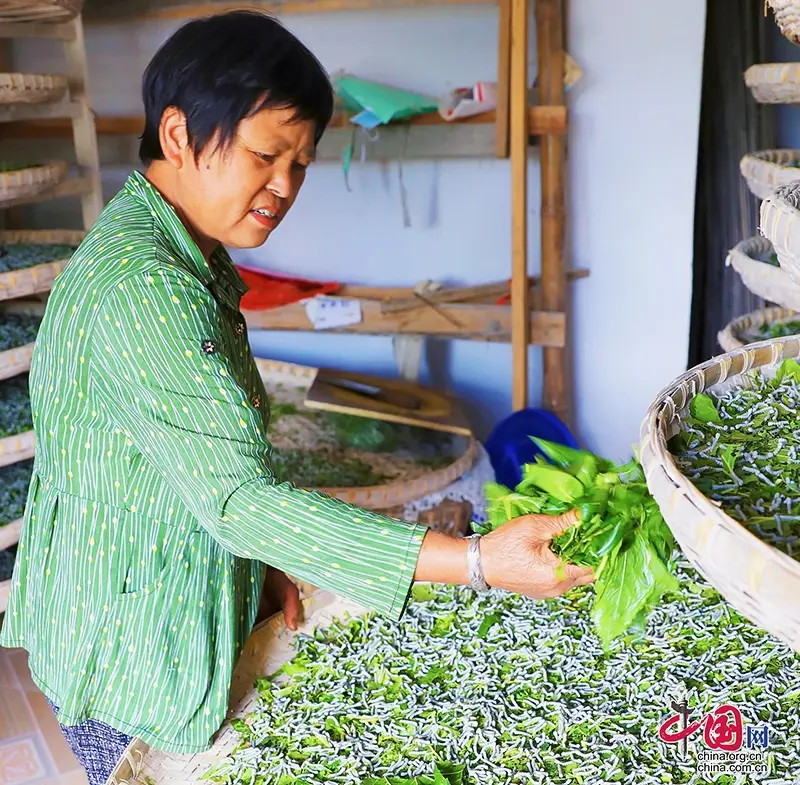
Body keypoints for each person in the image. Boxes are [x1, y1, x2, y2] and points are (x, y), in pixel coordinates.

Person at [0, 11, 593, 785]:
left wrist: (251, 567)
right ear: (178, 135)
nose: (283, 187)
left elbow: (195, 470)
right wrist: (478, 560)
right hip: (131, 650)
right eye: (264, 154)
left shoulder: (172, 249)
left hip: (137, 598)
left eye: (301, 164)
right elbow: (240, 499)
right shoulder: (146, 285)